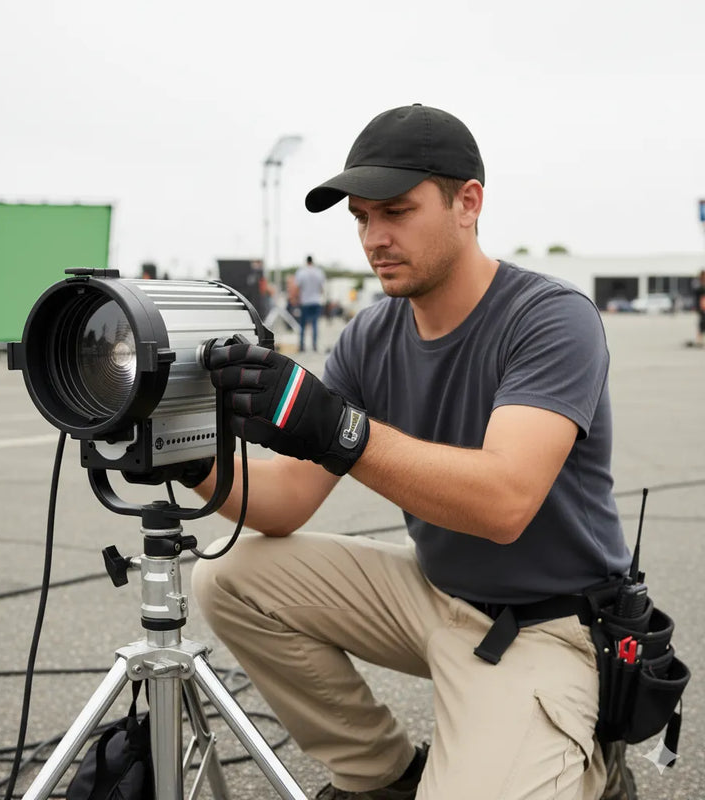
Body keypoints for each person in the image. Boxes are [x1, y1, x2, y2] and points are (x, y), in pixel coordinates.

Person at [190, 104, 635, 800]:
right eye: (362, 218)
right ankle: (382, 777)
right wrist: (187, 458)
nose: (375, 237)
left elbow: (504, 503)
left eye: (395, 211)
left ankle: (591, 764)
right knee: (229, 578)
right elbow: (283, 505)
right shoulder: (371, 334)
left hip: (547, 624)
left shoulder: (549, 317)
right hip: (434, 592)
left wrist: (338, 428)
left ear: (468, 202)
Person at [295, 255, 326, 352]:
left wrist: (297, 298)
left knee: (303, 325)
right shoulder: (319, 272)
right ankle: (314, 345)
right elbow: (322, 289)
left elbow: (297, 287)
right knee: (315, 324)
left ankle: (302, 346)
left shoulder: (301, 272)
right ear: (313, 261)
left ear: (306, 261)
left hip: (305, 302)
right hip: (316, 301)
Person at [692, 269, 705, 347]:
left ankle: (699, 340)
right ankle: (699, 340)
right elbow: (696, 293)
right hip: (701, 307)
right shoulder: (697, 284)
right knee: (701, 324)